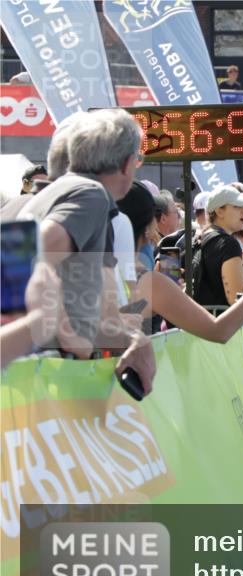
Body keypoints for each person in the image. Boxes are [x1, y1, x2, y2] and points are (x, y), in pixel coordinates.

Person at [22, 108, 155, 395]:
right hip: (49, 374)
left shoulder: (76, 192)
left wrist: (130, 337)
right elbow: (35, 251)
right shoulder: (90, 194)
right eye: (139, 159)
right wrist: (67, 330)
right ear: (127, 163)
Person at [192, 185, 243, 313]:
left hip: (200, 324)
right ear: (219, 211)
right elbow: (236, 300)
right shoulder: (228, 243)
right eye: (237, 206)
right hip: (221, 328)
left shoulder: (200, 237)